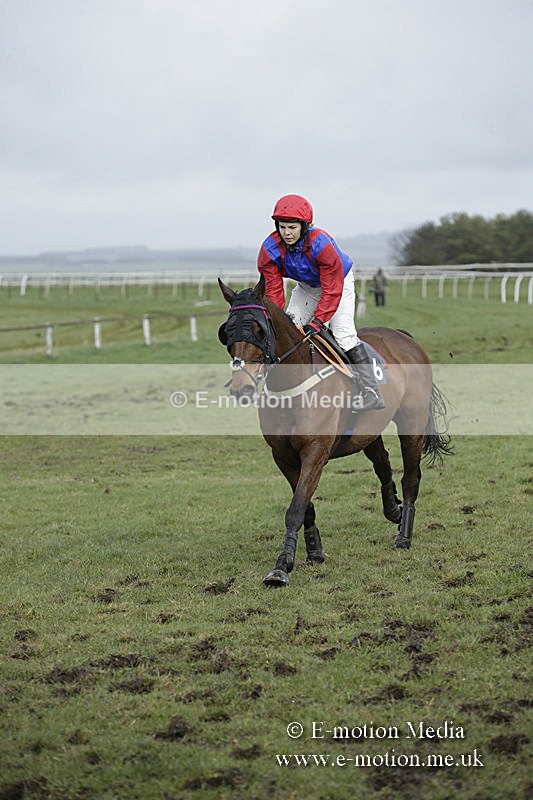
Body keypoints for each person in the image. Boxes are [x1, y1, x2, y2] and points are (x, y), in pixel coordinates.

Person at [257, 194, 385, 411]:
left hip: (338, 282)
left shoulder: (321, 244)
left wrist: (318, 321)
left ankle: (371, 391)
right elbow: (274, 291)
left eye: (292, 227)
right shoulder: (269, 249)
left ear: (304, 226)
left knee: (343, 335)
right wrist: (274, 318)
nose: (286, 233)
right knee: (287, 331)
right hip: (307, 286)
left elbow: (332, 290)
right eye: (282, 227)